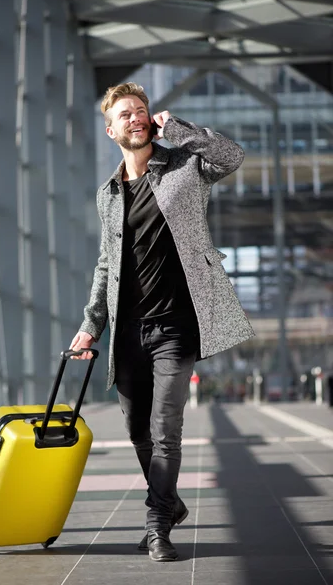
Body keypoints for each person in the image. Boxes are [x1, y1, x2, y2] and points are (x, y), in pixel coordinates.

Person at [71, 82, 255, 562]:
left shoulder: (183, 167)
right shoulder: (108, 194)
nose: (135, 118)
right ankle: (169, 505)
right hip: (128, 331)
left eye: (141, 111)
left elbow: (231, 156)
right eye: (124, 115)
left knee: (165, 427)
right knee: (137, 431)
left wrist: (178, 129)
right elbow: (107, 264)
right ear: (111, 131)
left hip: (177, 324)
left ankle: (157, 527)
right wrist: (92, 324)